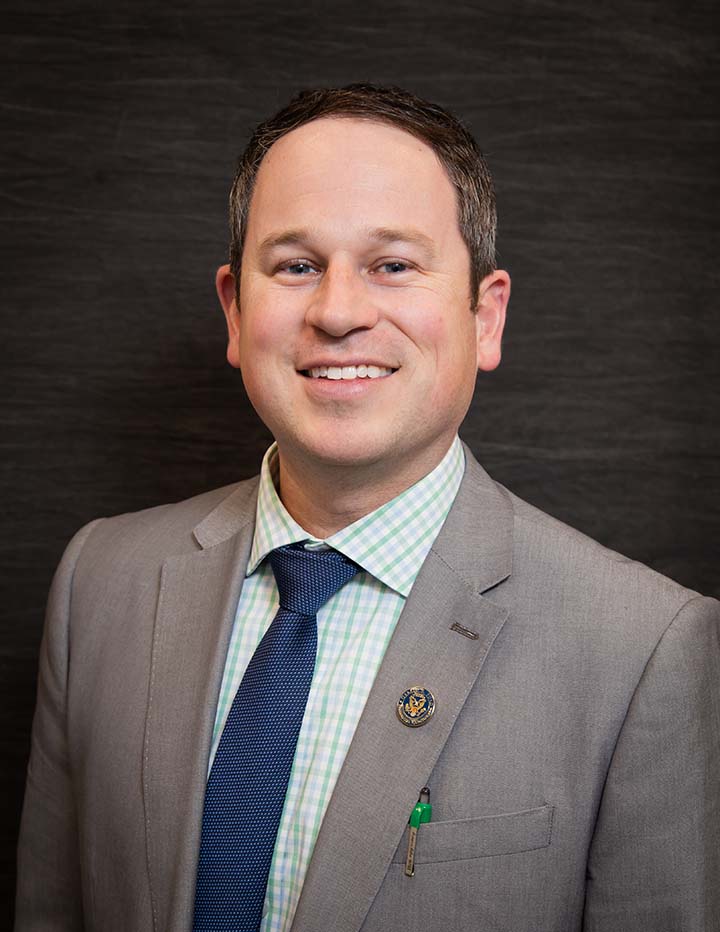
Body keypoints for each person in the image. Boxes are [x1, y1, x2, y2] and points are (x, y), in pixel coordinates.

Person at [16, 83, 719, 932]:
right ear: (236, 312)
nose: (339, 312)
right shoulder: (100, 582)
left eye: (393, 264)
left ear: (484, 315)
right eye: (296, 265)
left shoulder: (645, 648)